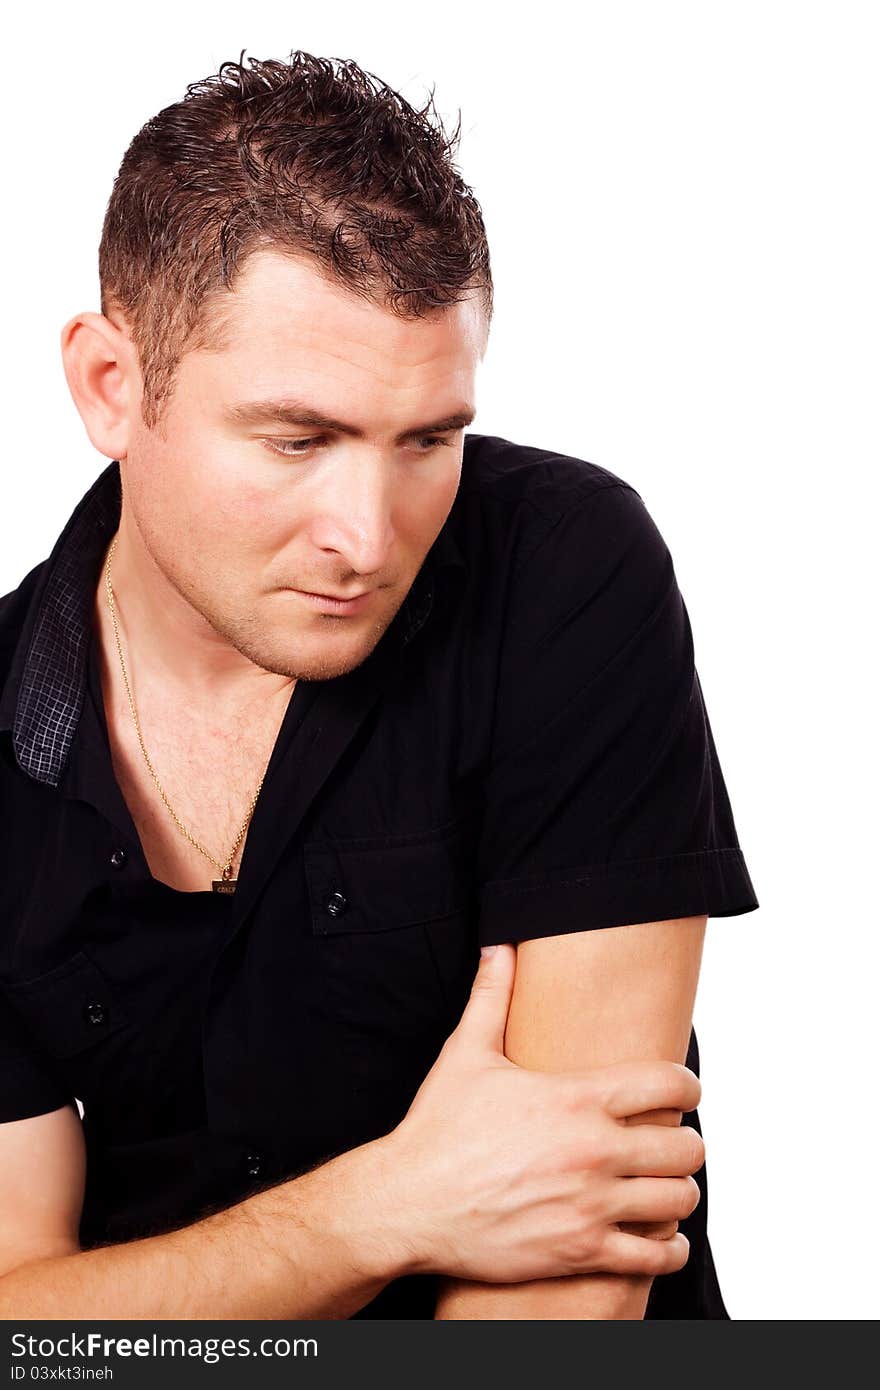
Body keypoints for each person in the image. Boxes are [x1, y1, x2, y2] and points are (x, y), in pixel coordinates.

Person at [0, 50, 758, 1320]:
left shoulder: (561, 570)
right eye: (297, 440)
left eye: (426, 440)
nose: (368, 532)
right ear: (111, 386)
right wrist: (391, 1204)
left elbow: (576, 1270)